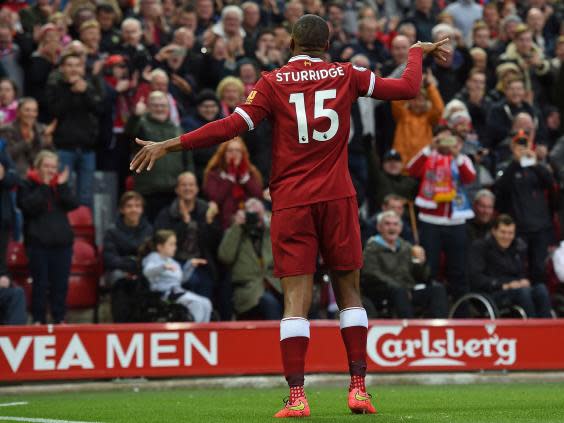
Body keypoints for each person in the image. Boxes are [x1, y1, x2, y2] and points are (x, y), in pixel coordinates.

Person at [130, 14, 449, 417]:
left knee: (295, 300)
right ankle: (357, 389)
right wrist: (417, 53)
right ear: (328, 45)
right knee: (349, 292)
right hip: (337, 197)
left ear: (293, 44)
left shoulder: (271, 82)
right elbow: (406, 87)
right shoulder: (347, 74)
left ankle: (298, 397)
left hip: (292, 202)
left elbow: (230, 127)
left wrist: (170, 143)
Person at [408, 126, 476, 315]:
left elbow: (470, 178)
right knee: (429, 270)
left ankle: (462, 315)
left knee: (459, 272)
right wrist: (430, 148)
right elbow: (411, 170)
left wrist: (456, 155)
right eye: (442, 140)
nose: (445, 144)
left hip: (456, 221)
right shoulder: (429, 156)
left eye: (450, 140)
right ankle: (430, 311)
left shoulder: (462, 159)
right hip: (431, 221)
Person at [18, 150, 79, 324]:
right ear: (37, 167)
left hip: (62, 244)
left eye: (53, 166)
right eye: (46, 166)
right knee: (40, 284)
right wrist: (44, 186)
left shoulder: (59, 185)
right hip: (38, 244)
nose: (50, 170)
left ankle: (59, 319)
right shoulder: (27, 184)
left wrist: (61, 185)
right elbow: (28, 207)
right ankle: (38, 319)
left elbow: (73, 204)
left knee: (60, 285)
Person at [493, 127, 554, 284]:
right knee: (518, 269)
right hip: (518, 229)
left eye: (525, 143)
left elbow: (549, 183)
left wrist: (534, 163)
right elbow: (501, 189)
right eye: (518, 144)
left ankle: (540, 302)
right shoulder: (505, 167)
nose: (522, 147)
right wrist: (515, 162)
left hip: (540, 227)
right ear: (512, 147)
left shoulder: (536, 166)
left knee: (539, 269)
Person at [361, 210, 447, 318]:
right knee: (399, 292)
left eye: (395, 224)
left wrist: (420, 262)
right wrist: (399, 287)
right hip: (382, 291)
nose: (392, 228)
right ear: (379, 227)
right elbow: (371, 272)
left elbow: (423, 276)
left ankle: (436, 329)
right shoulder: (371, 248)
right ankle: (409, 330)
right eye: (387, 224)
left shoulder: (406, 247)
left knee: (438, 290)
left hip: (408, 290)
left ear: (400, 228)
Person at [45, 52, 104, 208]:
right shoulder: (55, 87)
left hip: (87, 149)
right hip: (64, 147)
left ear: (83, 68)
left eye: (77, 65)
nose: (73, 69)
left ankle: (84, 230)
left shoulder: (90, 87)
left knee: (86, 195)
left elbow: (100, 109)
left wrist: (85, 92)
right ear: (62, 68)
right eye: (69, 65)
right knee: (63, 191)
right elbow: (55, 112)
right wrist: (71, 91)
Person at [468, 214, 552, 318]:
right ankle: (532, 331)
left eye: (510, 233)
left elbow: (520, 272)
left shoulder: (516, 247)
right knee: (524, 293)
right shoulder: (480, 247)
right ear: (494, 231)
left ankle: (548, 330)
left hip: (516, 289)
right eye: (503, 232)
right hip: (493, 292)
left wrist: (523, 280)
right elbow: (476, 278)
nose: (507, 237)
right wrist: (504, 285)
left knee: (541, 289)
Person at [154, 172, 221, 301]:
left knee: (207, 283)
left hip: (201, 262)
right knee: (192, 281)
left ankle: (203, 319)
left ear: (197, 189)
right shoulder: (167, 213)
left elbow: (215, 243)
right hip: (175, 262)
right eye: (183, 185)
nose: (187, 188)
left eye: (191, 185)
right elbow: (161, 241)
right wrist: (184, 223)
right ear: (177, 189)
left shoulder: (206, 211)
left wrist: (209, 222)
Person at [218, 198, 283, 320]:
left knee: (300, 300)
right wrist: (237, 227)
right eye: (251, 214)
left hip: (275, 286)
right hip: (248, 291)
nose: (255, 218)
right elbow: (225, 257)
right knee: (269, 303)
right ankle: (277, 339)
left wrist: (271, 223)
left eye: (258, 214)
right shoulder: (235, 233)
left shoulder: (270, 232)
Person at [141, 229, 212, 323]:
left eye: (175, 244)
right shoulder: (153, 257)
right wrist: (163, 267)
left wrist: (190, 265)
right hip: (163, 295)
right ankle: (193, 332)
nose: (175, 247)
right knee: (196, 304)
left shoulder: (172, 262)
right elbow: (147, 272)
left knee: (206, 303)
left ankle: (204, 332)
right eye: (171, 244)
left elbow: (181, 280)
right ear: (160, 247)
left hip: (177, 292)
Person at [103, 191, 153, 323]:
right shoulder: (112, 231)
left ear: (142, 209)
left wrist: (138, 267)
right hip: (119, 269)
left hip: (141, 270)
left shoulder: (149, 230)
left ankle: (146, 322)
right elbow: (109, 258)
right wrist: (129, 264)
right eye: (129, 206)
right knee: (119, 279)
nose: (134, 209)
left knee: (152, 279)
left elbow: (152, 256)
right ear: (122, 209)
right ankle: (121, 323)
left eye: (137, 206)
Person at [202, 137, 263, 229]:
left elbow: (258, 195)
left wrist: (244, 178)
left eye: (238, 151)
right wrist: (230, 178)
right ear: (223, 154)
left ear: (243, 154)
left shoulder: (250, 173)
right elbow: (215, 198)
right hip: (222, 224)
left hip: (248, 222)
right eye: (230, 151)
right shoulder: (214, 174)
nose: (234, 154)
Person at [0, 97, 53, 178]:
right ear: (18, 112)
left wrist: (48, 143)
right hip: (16, 176)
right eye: (27, 110)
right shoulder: (6, 130)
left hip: (39, 177)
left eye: (34, 111)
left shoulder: (42, 129)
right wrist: (26, 142)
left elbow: (49, 156)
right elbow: (6, 154)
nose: (31, 114)